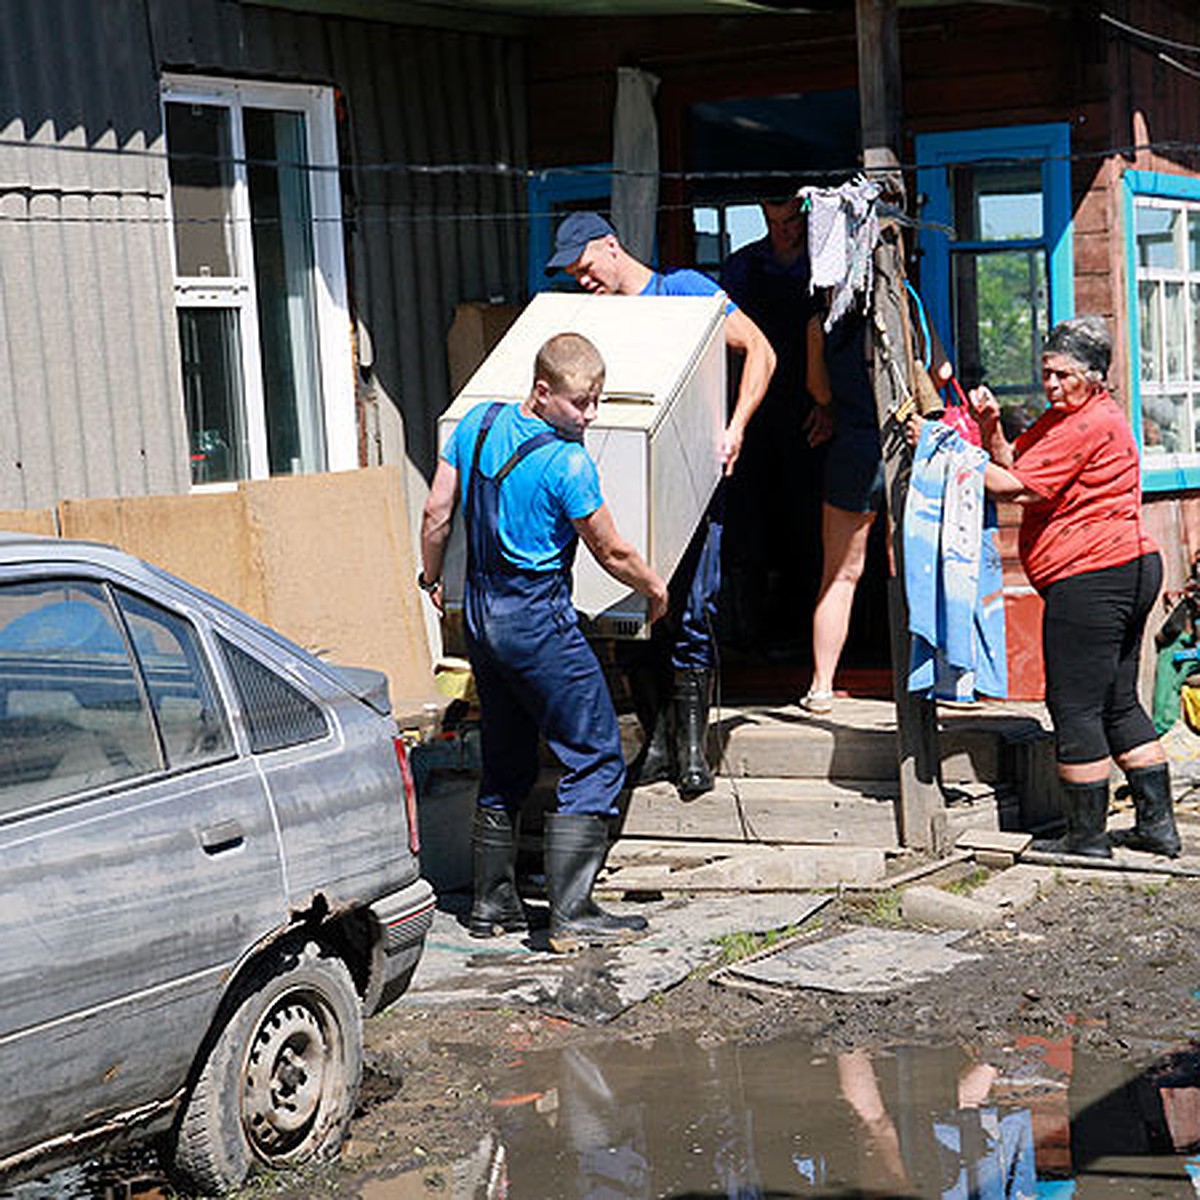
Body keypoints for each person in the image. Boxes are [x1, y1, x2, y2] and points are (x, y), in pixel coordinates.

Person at [419, 332, 669, 952]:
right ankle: (572, 911)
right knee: (597, 751)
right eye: (580, 403)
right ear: (541, 391)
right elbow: (610, 550)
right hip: (537, 622)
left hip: (479, 619)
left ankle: (490, 901)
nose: (589, 416)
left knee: (506, 753)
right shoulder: (568, 463)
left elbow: (437, 513)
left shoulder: (476, 423)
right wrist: (655, 590)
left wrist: (429, 578)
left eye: (596, 402)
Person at [545, 211, 776, 797]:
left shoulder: (684, 292)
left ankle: (692, 751)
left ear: (612, 247)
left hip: (694, 479)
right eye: (571, 272)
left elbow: (761, 350)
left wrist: (737, 426)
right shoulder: (590, 318)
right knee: (630, 614)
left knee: (694, 609)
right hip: (619, 484)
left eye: (585, 265)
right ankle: (657, 742)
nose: (580, 278)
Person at [964, 314, 1180, 858]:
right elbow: (1015, 460)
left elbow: (1016, 488)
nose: (1052, 385)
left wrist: (947, 454)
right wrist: (989, 426)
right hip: (1124, 568)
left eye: (1064, 375)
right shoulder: (1066, 417)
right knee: (1116, 702)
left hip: (1094, 575)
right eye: (1047, 373)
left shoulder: (1088, 423)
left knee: (1073, 705)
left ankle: (1086, 838)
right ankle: (1157, 827)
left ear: (1095, 377)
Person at [803, 291, 950, 713]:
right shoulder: (904, 309)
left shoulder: (821, 321)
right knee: (908, 568)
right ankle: (919, 681)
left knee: (840, 576)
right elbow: (942, 371)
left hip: (853, 446)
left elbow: (819, 389)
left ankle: (821, 685)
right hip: (906, 445)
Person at [720, 195, 831, 659]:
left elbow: (836, 339)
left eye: (791, 221)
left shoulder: (826, 267)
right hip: (752, 411)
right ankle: (750, 635)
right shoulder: (743, 266)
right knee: (749, 521)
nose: (784, 231)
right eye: (773, 222)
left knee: (805, 522)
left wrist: (831, 405)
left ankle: (802, 633)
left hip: (809, 410)